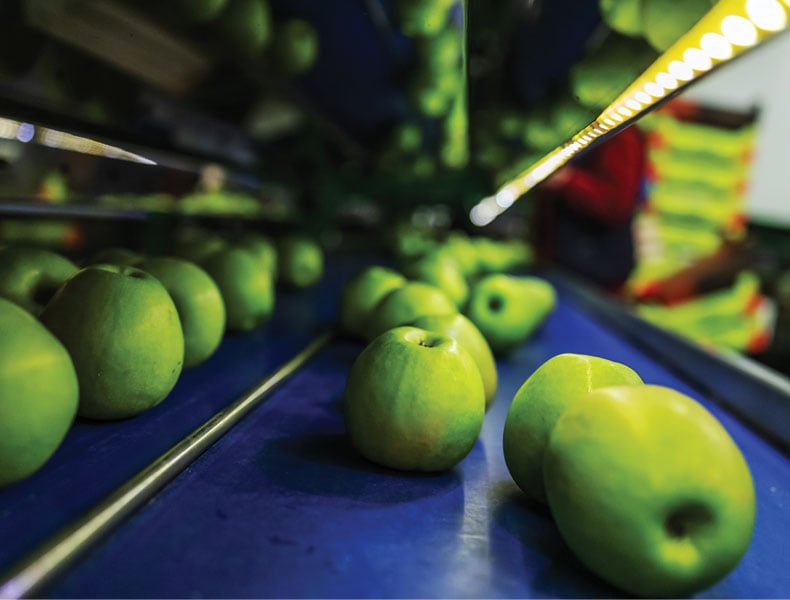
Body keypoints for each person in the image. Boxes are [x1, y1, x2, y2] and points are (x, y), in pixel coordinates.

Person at [534, 124, 646, 291]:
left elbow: (616, 204)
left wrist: (567, 180)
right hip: (566, 264)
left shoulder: (620, 133)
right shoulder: (587, 127)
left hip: (594, 271)